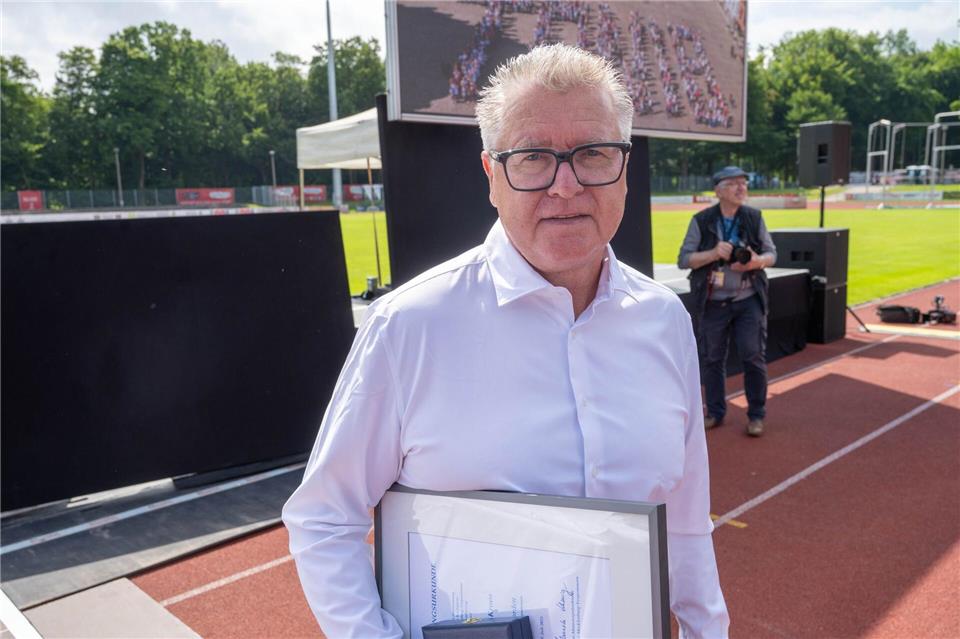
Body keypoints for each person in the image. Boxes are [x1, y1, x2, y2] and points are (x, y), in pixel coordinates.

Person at [283, 44, 729, 638]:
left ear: (623, 166)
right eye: (533, 158)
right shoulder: (410, 327)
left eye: (592, 154)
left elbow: (686, 519)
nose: (565, 187)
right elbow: (323, 520)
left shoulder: (665, 320)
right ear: (493, 174)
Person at [677, 166, 777, 437]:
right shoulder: (702, 220)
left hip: (747, 298)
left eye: (744, 183)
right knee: (712, 359)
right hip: (713, 301)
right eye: (733, 184)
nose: (741, 188)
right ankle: (716, 412)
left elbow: (771, 253)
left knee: (753, 356)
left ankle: (756, 414)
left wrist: (758, 261)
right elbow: (684, 259)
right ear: (718, 190)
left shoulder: (753, 217)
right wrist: (712, 253)